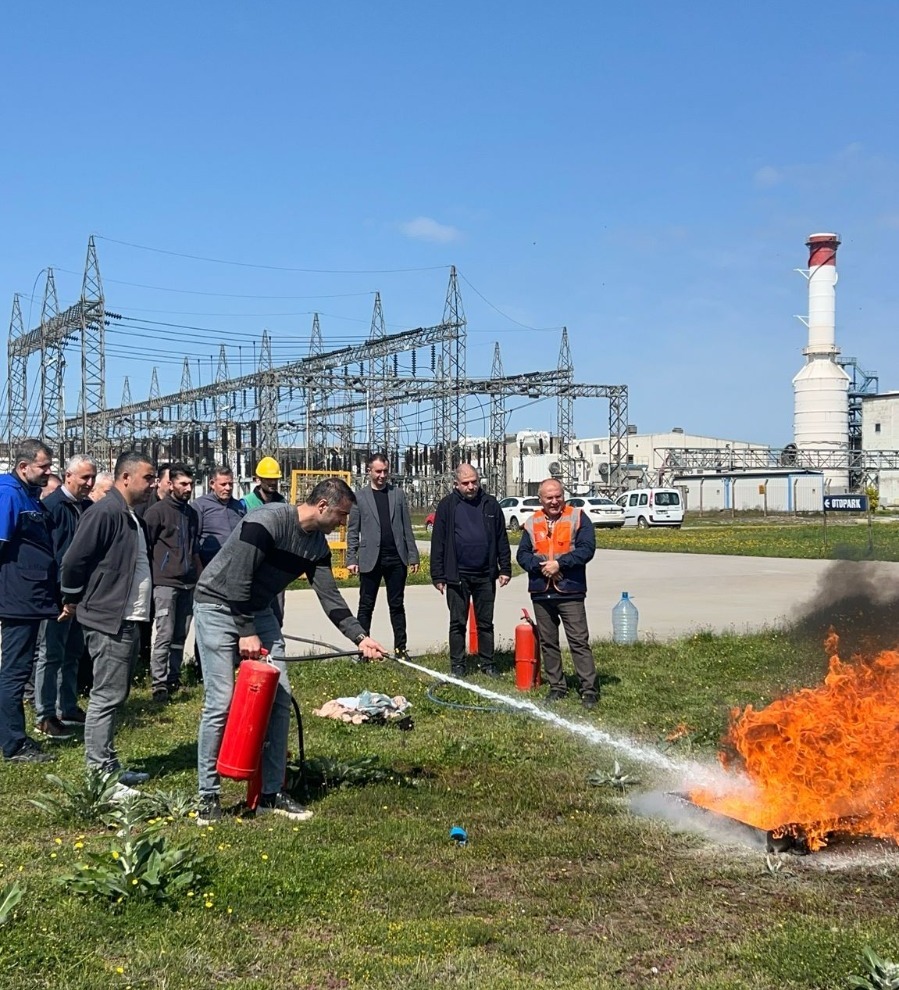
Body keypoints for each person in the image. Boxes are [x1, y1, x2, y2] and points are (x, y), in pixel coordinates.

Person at [193, 476, 384, 825]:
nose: (343, 524)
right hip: (219, 606)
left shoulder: (316, 548)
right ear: (323, 506)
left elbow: (331, 599)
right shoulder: (266, 522)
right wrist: (246, 631)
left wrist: (360, 638)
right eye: (341, 516)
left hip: (260, 609)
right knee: (220, 700)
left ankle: (270, 793)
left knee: (280, 697)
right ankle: (207, 796)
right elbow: (237, 578)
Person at [60, 451, 158, 787]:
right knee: (106, 696)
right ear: (126, 478)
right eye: (148, 477)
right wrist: (71, 598)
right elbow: (74, 561)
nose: (153, 484)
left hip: (127, 618)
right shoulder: (106, 512)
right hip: (108, 618)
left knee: (115, 694)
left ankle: (108, 763)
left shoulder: (129, 514)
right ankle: (98, 773)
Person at [516, 478, 599, 709]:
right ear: (540, 499)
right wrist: (542, 566)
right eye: (549, 497)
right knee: (548, 642)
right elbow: (522, 555)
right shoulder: (532, 522)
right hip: (541, 592)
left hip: (570, 590)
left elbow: (586, 550)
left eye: (558, 496)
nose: (554, 501)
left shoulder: (578, 517)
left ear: (564, 495)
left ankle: (589, 689)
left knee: (578, 641)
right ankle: (557, 686)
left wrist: (560, 564)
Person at [0, 439, 59, 764]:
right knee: (14, 670)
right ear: (24, 467)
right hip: (18, 596)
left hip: (30, 596)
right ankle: (13, 744)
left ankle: (13, 737)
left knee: (18, 668)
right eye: (43, 467)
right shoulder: (9, 494)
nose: (49, 472)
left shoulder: (28, 496)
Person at [33, 455, 97, 739]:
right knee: (50, 654)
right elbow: (51, 556)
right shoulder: (53, 508)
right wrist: (60, 596)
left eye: (92, 477)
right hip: (58, 596)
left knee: (72, 652)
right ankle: (45, 715)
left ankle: (67, 706)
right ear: (68, 476)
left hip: (81, 594)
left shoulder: (87, 507)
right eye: (84, 478)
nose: (89, 483)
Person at [429, 464, 511, 677]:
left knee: (485, 623)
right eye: (466, 483)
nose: (471, 486)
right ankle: (458, 665)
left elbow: (502, 538)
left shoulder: (490, 504)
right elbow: (438, 542)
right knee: (457, 623)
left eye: (474, 481)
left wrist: (505, 569)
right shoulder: (447, 506)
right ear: (456, 484)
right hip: (457, 576)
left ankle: (488, 664)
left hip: (485, 574)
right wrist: (438, 575)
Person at [346, 454, 419, 660]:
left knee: (396, 605)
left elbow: (407, 527)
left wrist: (412, 556)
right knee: (366, 605)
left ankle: (401, 650)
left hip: (396, 558)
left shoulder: (398, 495)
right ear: (369, 471)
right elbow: (353, 530)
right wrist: (352, 558)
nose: (382, 475)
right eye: (378, 471)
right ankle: (362, 650)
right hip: (371, 558)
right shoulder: (359, 497)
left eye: (385, 471)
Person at [143, 462, 200, 702]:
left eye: (190, 484)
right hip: (165, 582)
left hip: (188, 583)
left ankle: (173, 676)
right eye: (183, 484)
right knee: (164, 633)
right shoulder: (157, 512)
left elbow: (194, 547)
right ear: (171, 484)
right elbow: (146, 545)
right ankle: (159, 684)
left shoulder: (192, 514)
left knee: (180, 634)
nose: (188, 488)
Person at [193, 465, 246, 566]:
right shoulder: (200, 505)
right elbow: (193, 538)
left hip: (235, 564)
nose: (228, 488)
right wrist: (198, 566)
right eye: (223, 484)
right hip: (210, 564)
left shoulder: (238, 506)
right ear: (212, 484)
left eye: (230, 484)